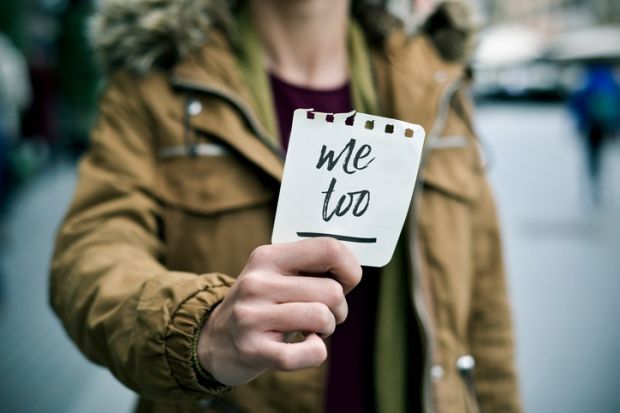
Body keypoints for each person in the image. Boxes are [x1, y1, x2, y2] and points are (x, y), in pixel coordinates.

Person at [50, 0, 521, 412]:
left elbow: (487, 323)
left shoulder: (436, 80)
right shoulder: (155, 84)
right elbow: (89, 258)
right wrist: (204, 328)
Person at [570, 64, 620, 205]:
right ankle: (599, 183)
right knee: (602, 155)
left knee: (593, 156)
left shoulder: (588, 86)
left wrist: (580, 125)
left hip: (591, 127)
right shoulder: (612, 85)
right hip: (607, 126)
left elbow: (577, 104)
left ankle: (593, 181)